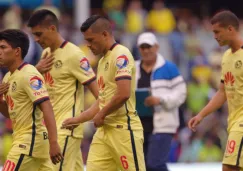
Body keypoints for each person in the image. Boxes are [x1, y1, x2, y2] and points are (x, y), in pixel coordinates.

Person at [62, 15, 146, 171]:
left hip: (124, 130)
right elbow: (102, 102)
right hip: (104, 132)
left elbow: (123, 94)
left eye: (91, 40)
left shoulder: (121, 55)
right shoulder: (101, 62)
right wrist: (77, 119)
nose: (88, 45)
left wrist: (102, 114)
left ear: (105, 34)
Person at [27, 10, 99, 171]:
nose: (36, 39)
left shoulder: (74, 55)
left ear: (52, 29)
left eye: (39, 34)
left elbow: (100, 95)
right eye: (34, 35)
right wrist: (36, 71)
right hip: (51, 128)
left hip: (66, 129)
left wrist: (81, 118)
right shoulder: (46, 54)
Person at [0, 29, 63, 171]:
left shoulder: (29, 74)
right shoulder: (7, 78)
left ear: (17, 51)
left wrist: (54, 142)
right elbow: (11, 113)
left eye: (3, 47)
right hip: (31, 143)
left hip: (28, 142)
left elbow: (46, 106)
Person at [188, 10, 243, 171]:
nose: (214, 36)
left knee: (228, 166)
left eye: (217, 32)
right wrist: (201, 115)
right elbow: (222, 92)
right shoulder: (226, 56)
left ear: (230, 29)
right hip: (233, 121)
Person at [135, 32, 186, 171]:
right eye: (143, 47)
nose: (146, 50)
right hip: (138, 125)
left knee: (155, 164)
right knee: (142, 165)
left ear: (156, 47)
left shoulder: (169, 68)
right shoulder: (133, 69)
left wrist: (161, 100)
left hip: (163, 124)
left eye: (148, 47)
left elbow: (181, 93)